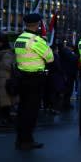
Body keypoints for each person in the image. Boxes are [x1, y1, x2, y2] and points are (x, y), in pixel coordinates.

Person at [14, 13, 54, 150]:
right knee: (31, 111)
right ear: (37, 24)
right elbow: (50, 58)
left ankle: (20, 138)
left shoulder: (19, 38)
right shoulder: (36, 41)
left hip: (21, 77)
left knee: (22, 109)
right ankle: (27, 140)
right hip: (34, 79)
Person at [0, 34, 16, 125]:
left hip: (4, 79)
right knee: (7, 100)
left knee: (6, 100)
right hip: (6, 79)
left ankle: (6, 117)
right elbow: (8, 65)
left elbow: (6, 65)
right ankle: (7, 117)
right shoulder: (7, 54)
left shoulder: (4, 53)